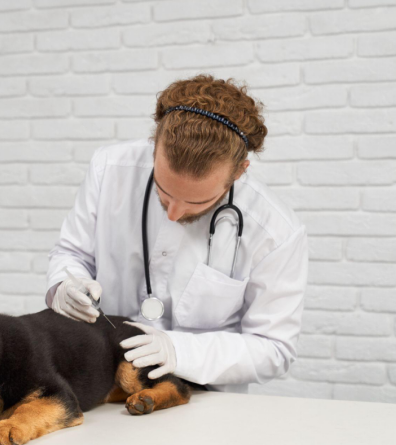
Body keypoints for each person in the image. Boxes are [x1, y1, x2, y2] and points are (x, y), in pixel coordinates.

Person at [45, 74, 308, 394]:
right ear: (154, 146)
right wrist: (65, 285)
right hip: (102, 389)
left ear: (238, 173)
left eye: (197, 202)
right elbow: (72, 254)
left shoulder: (275, 231)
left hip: (201, 400)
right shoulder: (110, 168)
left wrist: (178, 350)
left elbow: (274, 348)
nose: (173, 213)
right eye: (164, 192)